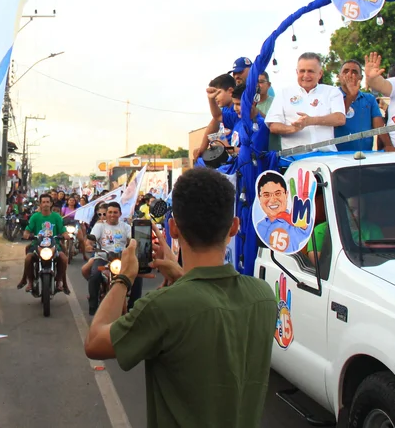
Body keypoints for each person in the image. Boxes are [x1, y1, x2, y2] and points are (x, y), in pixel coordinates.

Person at [84, 168, 277, 428]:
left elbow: (95, 342)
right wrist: (183, 273)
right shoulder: (263, 297)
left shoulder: (164, 305)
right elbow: (209, 301)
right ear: (234, 226)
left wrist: (125, 278)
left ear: (173, 228)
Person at [265, 52, 346, 152]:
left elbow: (340, 118)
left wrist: (311, 121)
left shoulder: (331, 91)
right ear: (296, 72)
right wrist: (293, 128)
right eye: (302, 71)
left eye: (310, 71)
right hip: (295, 158)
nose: (306, 75)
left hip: (327, 156)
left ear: (320, 74)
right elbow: (273, 125)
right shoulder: (284, 93)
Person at [88, 202, 142, 315]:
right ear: (106, 213)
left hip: (121, 259)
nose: (112, 214)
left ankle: (133, 306)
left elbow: (132, 239)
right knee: (94, 275)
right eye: (110, 212)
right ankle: (93, 306)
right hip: (103, 258)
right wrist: (89, 245)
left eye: (115, 212)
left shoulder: (126, 227)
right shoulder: (99, 226)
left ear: (120, 214)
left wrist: (133, 243)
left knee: (137, 275)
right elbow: (91, 240)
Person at [334, 59, 392, 152]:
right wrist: (350, 97)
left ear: (360, 78)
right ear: (339, 76)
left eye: (354, 72)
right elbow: (336, 121)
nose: (349, 74)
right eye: (345, 71)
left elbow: (379, 126)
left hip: (365, 156)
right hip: (338, 157)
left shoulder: (369, 99)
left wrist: (388, 145)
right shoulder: (331, 97)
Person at [19, 193, 69, 293]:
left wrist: (66, 235)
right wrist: (26, 234)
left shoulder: (57, 217)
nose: (45, 204)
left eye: (47, 202)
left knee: (63, 258)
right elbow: (27, 230)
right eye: (43, 202)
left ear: (51, 204)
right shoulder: (35, 217)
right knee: (28, 259)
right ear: (40, 204)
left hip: (54, 245)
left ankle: (58, 281)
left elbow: (63, 230)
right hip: (37, 244)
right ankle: (30, 281)